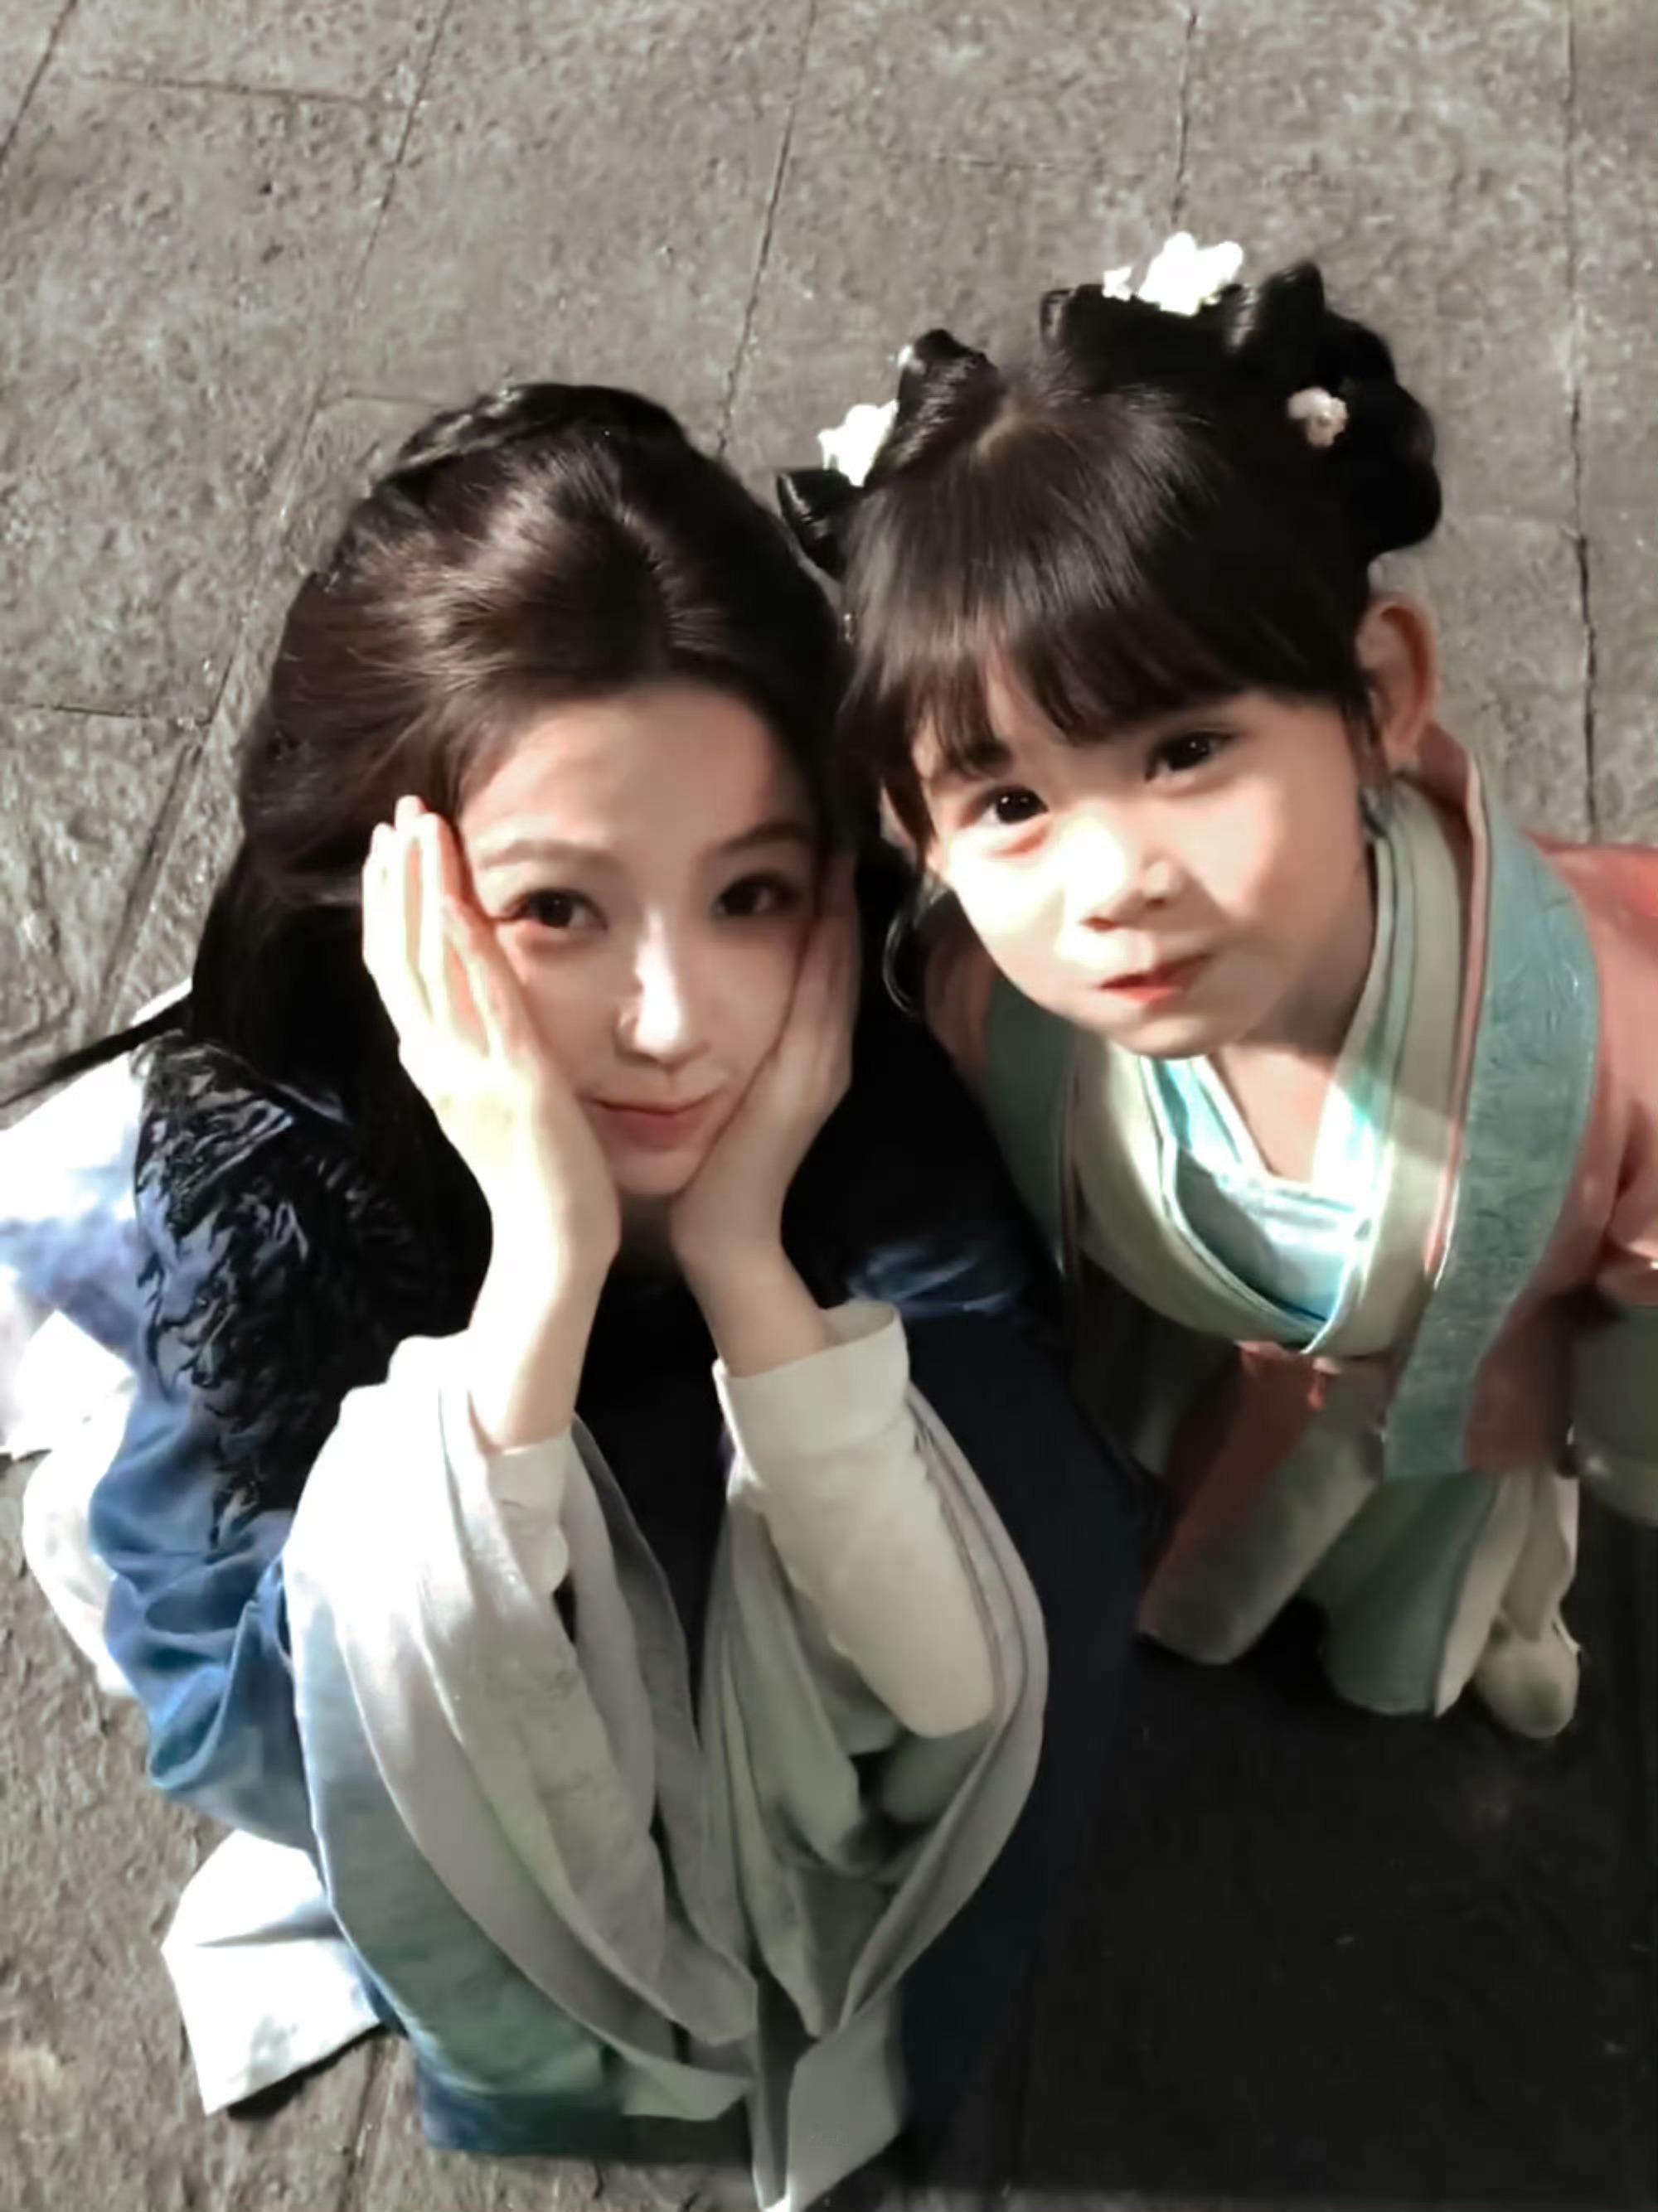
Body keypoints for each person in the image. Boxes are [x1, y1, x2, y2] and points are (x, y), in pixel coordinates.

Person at [0, 385, 1145, 2208]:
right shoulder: (272, 1195)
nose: (675, 1022)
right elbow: (289, 1740)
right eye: (556, 911)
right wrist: (541, 1271)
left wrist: (743, 1258)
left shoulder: (867, 1097)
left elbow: (974, 1671)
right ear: (386, 908)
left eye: (749, 893)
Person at [776, 240, 1658, 1742]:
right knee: (1180, 1506)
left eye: (1185, 751)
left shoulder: (1608, 1048)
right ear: (919, 833)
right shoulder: (991, 1002)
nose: (1114, 880)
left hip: (1429, 1428)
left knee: (1411, 1574)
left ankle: (1498, 1607)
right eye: (1008, 804)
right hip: (1186, 1371)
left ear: (1378, 697)